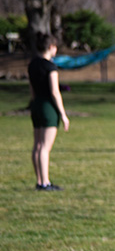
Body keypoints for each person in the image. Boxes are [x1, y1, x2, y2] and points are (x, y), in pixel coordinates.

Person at [28, 33, 69, 191]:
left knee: (37, 145)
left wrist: (35, 103)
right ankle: (45, 182)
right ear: (51, 47)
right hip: (48, 108)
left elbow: (31, 88)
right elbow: (54, 91)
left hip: (36, 105)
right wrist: (63, 114)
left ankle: (39, 181)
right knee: (45, 147)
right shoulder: (50, 67)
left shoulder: (32, 64)